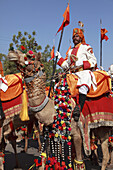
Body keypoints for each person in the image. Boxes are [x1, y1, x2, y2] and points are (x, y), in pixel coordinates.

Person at [56, 28, 97, 122]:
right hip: (73, 73)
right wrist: (59, 58)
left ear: (81, 37)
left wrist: (83, 64)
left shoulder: (86, 47)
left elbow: (94, 61)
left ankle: (79, 108)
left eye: (77, 36)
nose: (75, 38)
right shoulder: (70, 51)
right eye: (74, 36)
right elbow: (67, 65)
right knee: (59, 86)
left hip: (84, 72)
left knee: (83, 84)